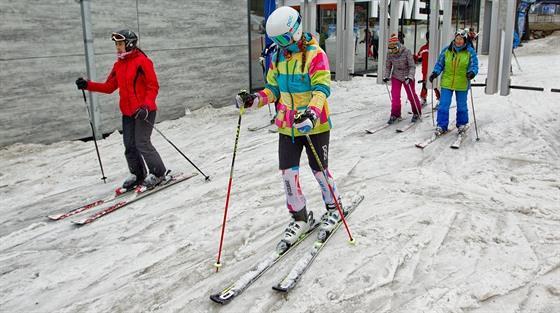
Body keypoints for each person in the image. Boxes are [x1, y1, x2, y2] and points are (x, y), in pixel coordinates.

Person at [235, 6, 342, 249]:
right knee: (288, 173)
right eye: (275, 40)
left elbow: (322, 89)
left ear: (295, 31)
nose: (280, 44)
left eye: (283, 39)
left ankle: (334, 207)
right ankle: (299, 216)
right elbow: (273, 90)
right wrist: (254, 99)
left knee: (319, 170)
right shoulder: (278, 57)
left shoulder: (316, 54)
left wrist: (312, 113)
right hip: (287, 126)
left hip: (315, 125)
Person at [75, 29, 167, 190]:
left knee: (142, 142)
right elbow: (109, 87)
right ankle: (138, 175)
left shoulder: (143, 62)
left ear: (129, 43)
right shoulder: (118, 65)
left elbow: (153, 86)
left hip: (144, 111)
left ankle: (158, 173)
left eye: (120, 44)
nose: (117, 47)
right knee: (129, 145)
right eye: (116, 44)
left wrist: (146, 105)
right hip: (128, 112)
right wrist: (88, 85)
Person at [429, 29, 479, 136]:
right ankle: (441, 125)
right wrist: (435, 73)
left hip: (462, 82)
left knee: (461, 105)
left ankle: (462, 124)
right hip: (447, 82)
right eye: (457, 38)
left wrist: (472, 73)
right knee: (443, 104)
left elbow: (474, 65)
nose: (459, 41)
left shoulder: (470, 52)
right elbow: (440, 63)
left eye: (461, 39)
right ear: (454, 39)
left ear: (465, 40)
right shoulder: (447, 50)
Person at [383, 33, 422, 124]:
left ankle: (417, 112)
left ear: (398, 46)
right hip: (396, 75)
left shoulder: (406, 51)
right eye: (391, 49)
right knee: (395, 95)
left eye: (394, 48)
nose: (393, 51)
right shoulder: (390, 53)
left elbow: (412, 66)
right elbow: (388, 66)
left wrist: (410, 77)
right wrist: (386, 76)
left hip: (407, 75)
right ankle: (395, 114)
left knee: (411, 95)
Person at [414, 31, 440, 107]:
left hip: (435, 71)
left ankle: (440, 99)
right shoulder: (424, 48)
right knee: (425, 85)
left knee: (435, 85)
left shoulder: (437, 48)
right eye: (429, 38)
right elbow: (419, 58)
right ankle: (423, 98)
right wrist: (414, 58)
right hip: (425, 71)